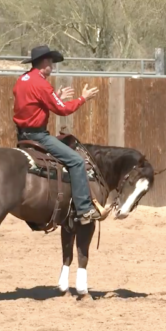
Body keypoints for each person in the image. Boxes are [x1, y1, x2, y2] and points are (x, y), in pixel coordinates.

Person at [13, 45, 102, 225]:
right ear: (44, 62)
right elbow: (63, 110)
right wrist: (82, 98)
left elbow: (31, 104)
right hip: (38, 136)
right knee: (76, 161)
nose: (52, 66)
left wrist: (56, 97)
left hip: (22, 135)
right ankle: (84, 210)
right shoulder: (41, 84)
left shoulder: (23, 79)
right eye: (51, 62)